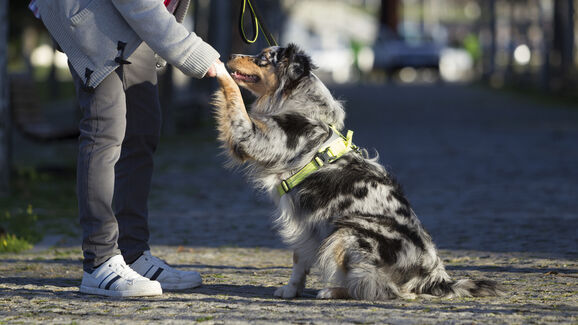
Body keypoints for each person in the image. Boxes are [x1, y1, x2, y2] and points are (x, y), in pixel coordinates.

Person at [32, 0, 221, 297]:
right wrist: (194, 53)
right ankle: (100, 259)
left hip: (131, 20)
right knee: (104, 127)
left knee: (142, 127)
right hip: (92, 14)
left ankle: (132, 254)